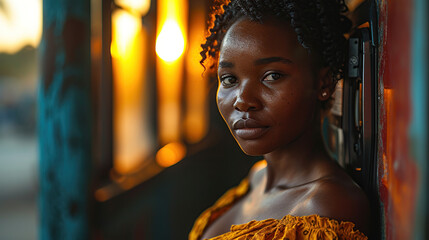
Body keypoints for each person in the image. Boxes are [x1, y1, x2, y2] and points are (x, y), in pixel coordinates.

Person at [189, 0, 371, 239]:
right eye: (229, 79)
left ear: (323, 83)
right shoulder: (258, 176)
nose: (242, 101)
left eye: (272, 76)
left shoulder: (324, 209)